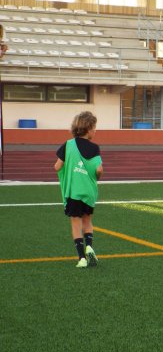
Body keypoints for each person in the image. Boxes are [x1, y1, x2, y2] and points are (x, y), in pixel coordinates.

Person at [54, 111, 103, 268]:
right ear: (88, 129)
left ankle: (81, 258)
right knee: (87, 221)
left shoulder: (67, 145)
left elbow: (57, 166)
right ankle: (89, 246)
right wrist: (96, 176)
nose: (95, 131)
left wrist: (70, 170)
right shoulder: (95, 148)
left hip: (73, 192)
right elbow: (99, 170)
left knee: (76, 224)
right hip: (88, 192)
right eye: (94, 128)